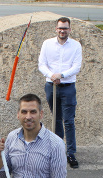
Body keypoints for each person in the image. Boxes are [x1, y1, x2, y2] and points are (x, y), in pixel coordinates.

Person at [38, 16, 83, 169]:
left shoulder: (76, 46)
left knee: (69, 121)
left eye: (65, 28)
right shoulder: (47, 44)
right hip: (51, 86)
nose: (62, 30)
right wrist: (52, 75)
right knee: (56, 118)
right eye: (60, 28)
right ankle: (57, 151)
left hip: (68, 87)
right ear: (56, 29)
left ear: (69, 29)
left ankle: (70, 152)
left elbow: (76, 67)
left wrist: (61, 75)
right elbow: (42, 64)